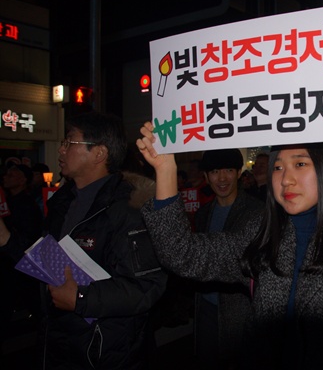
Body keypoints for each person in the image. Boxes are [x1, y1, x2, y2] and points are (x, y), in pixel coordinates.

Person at [136, 86, 323, 369]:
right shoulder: (261, 235)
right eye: (278, 167)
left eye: (300, 164)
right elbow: (180, 252)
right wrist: (165, 170)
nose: (286, 179)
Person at [0, 111, 167, 369]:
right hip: (57, 344)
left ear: (99, 153)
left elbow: (145, 288)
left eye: (70, 142)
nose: (61, 150)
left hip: (104, 351)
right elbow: (45, 261)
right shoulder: (61, 201)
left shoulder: (128, 208)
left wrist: (80, 298)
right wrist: (5, 238)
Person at [193, 148, 265, 369]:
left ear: (239, 173)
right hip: (205, 307)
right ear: (206, 176)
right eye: (214, 171)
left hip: (241, 312)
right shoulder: (203, 213)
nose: (222, 178)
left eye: (228, 170)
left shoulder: (257, 212)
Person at [0, 164, 44, 354]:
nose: (7, 176)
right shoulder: (7, 201)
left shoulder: (27, 205)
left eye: (13, 174)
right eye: (6, 173)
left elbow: (28, 240)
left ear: (23, 180)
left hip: (16, 267)